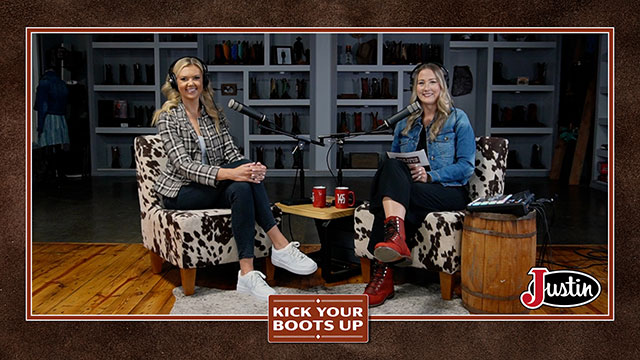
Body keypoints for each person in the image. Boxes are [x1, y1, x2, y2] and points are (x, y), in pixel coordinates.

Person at [152, 57, 317, 302]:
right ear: (174, 82)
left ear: (204, 81)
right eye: (184, 78)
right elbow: (184, 166)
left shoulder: (213, 114)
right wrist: (233, 172)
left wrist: (251, 168)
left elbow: (232, 154)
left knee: (243, 184)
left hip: (213, 185)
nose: (190, 83)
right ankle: (280, 245)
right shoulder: (168, 118)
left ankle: (247, 274)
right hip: (181, 191)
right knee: (239, 177)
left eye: (196, 78)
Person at [363, 63, 476, 307]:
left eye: (432, 81)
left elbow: (466, 167)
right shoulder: (405, 122)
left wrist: (431, 175)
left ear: (442, 85)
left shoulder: (458, 119)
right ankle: (395, 240)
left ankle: (383, 274)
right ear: (415, 88)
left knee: (392, 196)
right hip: (414, 191)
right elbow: (392, 165)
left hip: (448, 191)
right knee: (390, 168)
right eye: (421, 83)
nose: (426, 87)